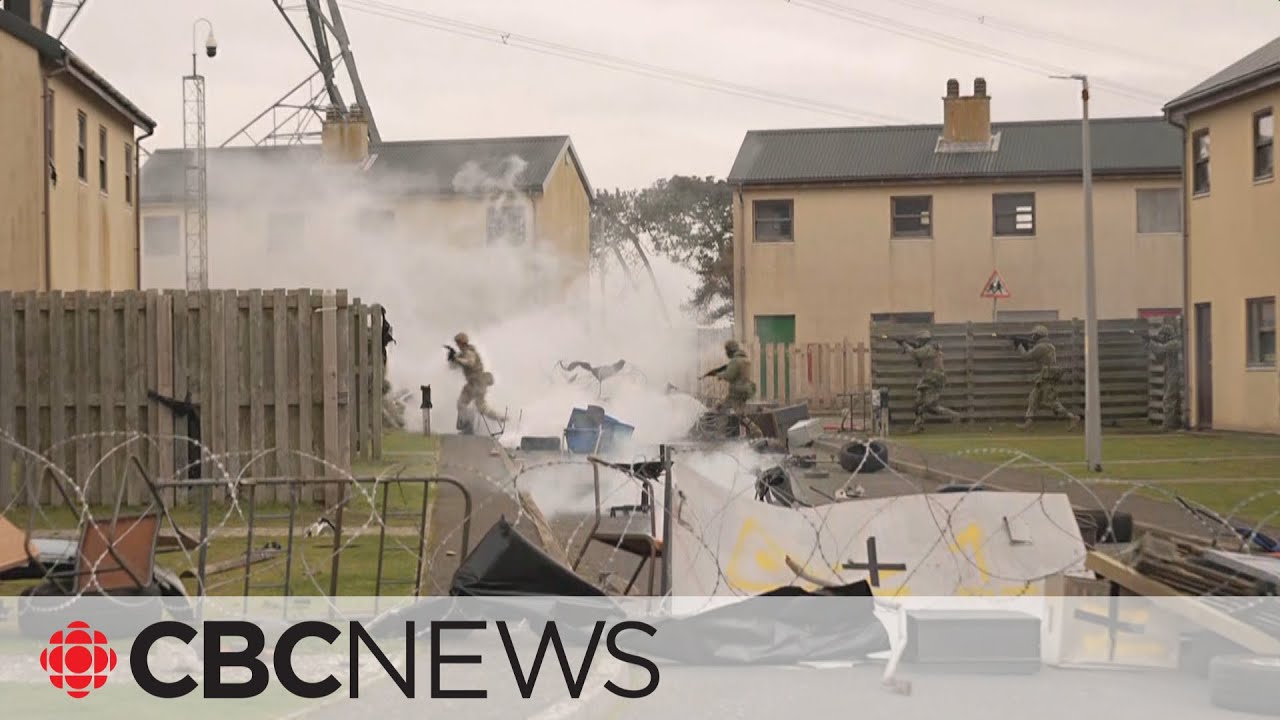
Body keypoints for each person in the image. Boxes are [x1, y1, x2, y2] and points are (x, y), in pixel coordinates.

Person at [1017, 325, 1080, 431]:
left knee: (1052, 402)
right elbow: (1034, 354)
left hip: (1046, 377)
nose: (1032, 336)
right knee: (1033, 398)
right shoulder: (1048, 345)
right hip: (1045, 376)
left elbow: (1027, 356)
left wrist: (1019, 346)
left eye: (1034, 335)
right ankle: (1028, 423)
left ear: (1038, 335)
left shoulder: (1041, 347)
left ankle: (1072, 417)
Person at [904, 330, 961, 433]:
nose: (918, 343)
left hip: (934, 379)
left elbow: (915, 354)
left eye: (919, 341)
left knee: (929, 406)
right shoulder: (931, 348)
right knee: (918, 404)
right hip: (928, 379)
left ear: (923, 340)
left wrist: (905, 345)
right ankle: (918, 425)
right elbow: (919, 361)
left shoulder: (930, 348)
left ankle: (953, 416)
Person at [448, 332, 504, 434]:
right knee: (478, 406)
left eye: (458, 343)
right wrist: (451, 359)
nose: (457, 345)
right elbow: (452, 367)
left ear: (462, 342)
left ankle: (468, 424)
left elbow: (470, 362)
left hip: (477, 383)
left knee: (464, 404)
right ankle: (501, 418)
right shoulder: (462, 353)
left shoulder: (469, 352)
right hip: (475, 384)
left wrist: (456, 359)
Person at [1148, 320, 1184, 431]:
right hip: (1170, 373)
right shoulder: (1170, 343)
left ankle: (1168, 425)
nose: (1161, 337)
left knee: (1169, 399)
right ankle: (1174, 423)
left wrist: (1150, 343)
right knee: (1173, 400)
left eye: (1163, 335)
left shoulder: (1175, 343)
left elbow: (1160, 349)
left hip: (1175, 374)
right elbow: (1159, 357)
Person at [713, 339, 757, 415]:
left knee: (722, 408)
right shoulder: (745, 360)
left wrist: (719, 374)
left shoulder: (735, 361)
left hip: (737, 391)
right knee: (740, 409)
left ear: (730, 350)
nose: (726, 352)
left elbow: (729, 376)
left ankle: (731, 425)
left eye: (727, 350)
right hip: (747, 390)